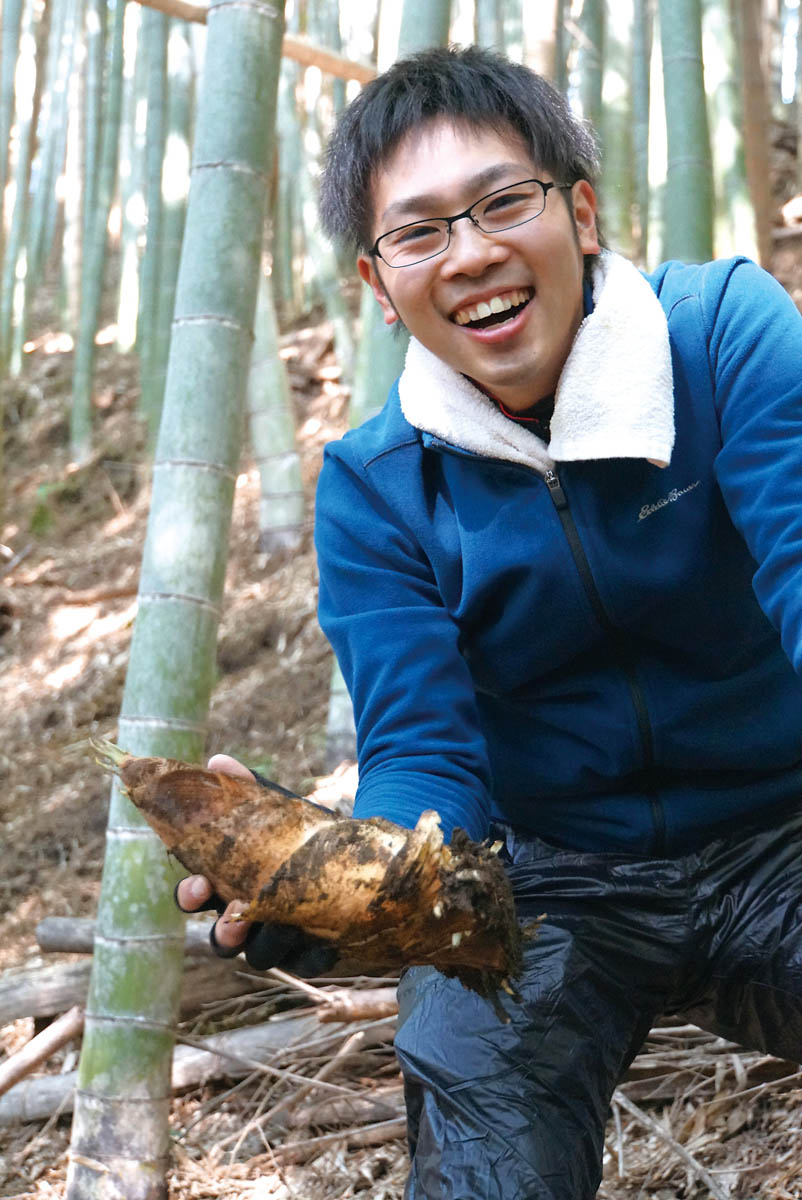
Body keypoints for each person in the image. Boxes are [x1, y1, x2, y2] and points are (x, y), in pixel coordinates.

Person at [177, 45, 802, 1199]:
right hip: (560, 882)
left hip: (783, 831)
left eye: (503, 202)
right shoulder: (374, 484)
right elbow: (421, 748)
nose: (469, 254)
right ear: (377, 285)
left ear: (582, 211)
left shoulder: (722, 335)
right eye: (417, 233)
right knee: (481, 1157)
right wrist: (353, 886)